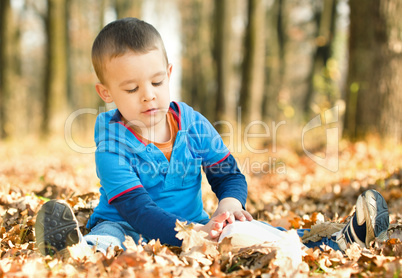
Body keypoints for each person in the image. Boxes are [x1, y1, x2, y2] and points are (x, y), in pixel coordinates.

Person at [34, 18, 389, 257]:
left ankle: (339, 240)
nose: (149, 95)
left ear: (170, 74)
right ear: (106, 92)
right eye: (131, 88)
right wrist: (191, 237)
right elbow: (137, 209)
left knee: (250, 233)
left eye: (157, 82)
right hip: (127, 223)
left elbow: (228, 174)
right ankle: (71, 250)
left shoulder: (191, 124)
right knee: (110, 240)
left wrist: (228, 206)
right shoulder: (111, 145)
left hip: (195, 225)